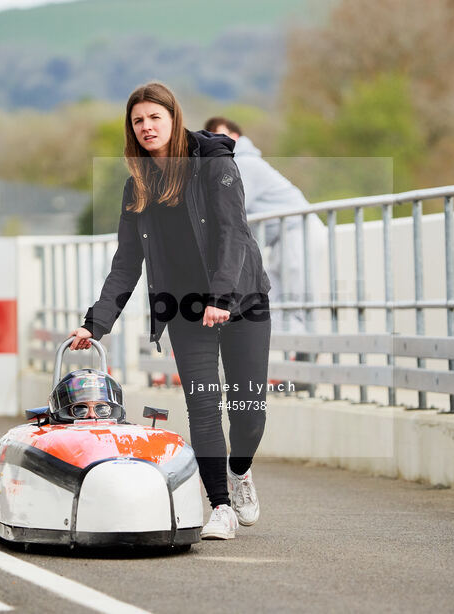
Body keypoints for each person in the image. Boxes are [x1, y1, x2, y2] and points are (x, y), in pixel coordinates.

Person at [69, 83, 271, 540]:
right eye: (138, 121)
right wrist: (95, 323)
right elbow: (126, 264)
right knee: (202, 406)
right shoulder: (137, 186)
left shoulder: (214, 164)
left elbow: (233, 232)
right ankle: (219, 505)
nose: (146, 127)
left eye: (154, 118)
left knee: (249, 409)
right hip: (183, 308)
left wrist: (221, 296)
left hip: (242, 298)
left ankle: (239, 471)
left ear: (173, 119)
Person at [203, 117, 323, 338]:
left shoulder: (245, 164)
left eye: (220, 136)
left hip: (299, 229)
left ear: (235, 137)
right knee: (279, 301)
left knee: (296, 298)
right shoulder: (233, 165)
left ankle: (307, 350)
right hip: (282, 237)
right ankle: (294, 356)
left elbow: (229, 206)